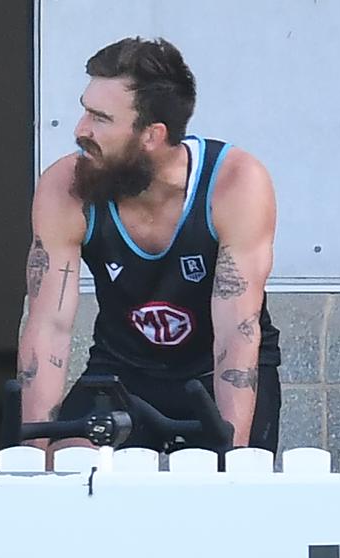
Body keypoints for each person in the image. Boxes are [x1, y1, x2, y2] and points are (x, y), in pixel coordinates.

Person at [17, 36, 282, 454]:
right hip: (121, 371)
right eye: (84, 109)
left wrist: (234, 460)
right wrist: (33, 451)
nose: (80, 130)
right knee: (66, 466)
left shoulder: (234, 183)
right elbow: (49, 326)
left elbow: (237, 332)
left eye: (100, 118)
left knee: (221, 498)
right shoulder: (65, 187)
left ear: (151, 135)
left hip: (214, 374)